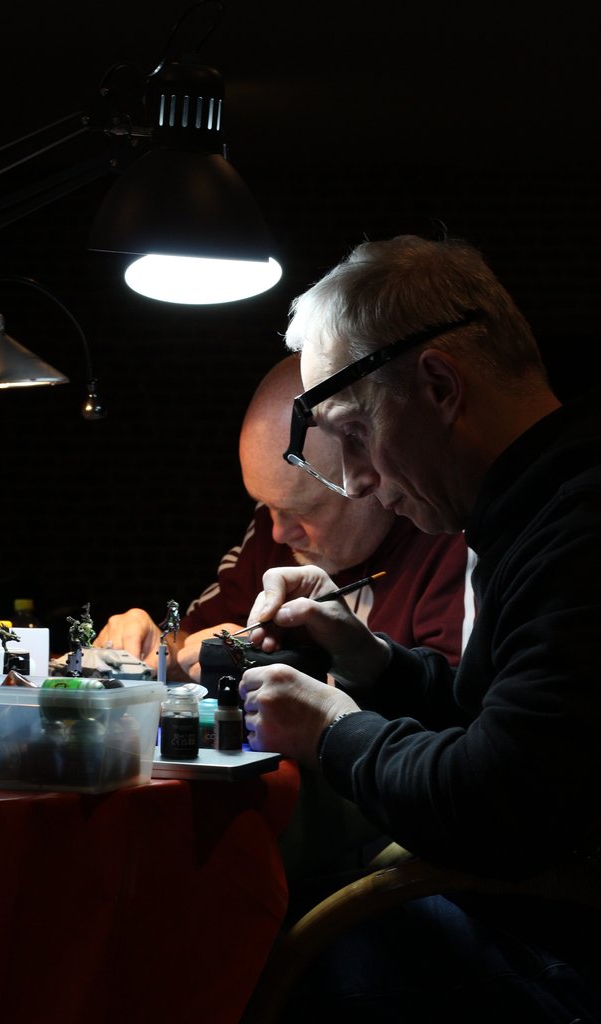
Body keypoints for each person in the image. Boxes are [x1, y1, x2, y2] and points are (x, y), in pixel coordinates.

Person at [238, 235, 601, 1020]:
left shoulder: (581, 529)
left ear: (438, 385)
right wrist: (368, 658)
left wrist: (332, 730)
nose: (358, 480)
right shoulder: (539, 504)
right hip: (545, 918)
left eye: (353, 434)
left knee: (250, 955)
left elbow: (496, 803)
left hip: (578, 965)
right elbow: (510, 736)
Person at [94, 355, 473, 680]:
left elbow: (457, 715)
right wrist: (157, 647)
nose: (277, 532)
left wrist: (296, 676)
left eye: (301, 509)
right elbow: (189, 639)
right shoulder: (276, 526)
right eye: (266, 506)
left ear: (369, 475)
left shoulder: (449, 538)